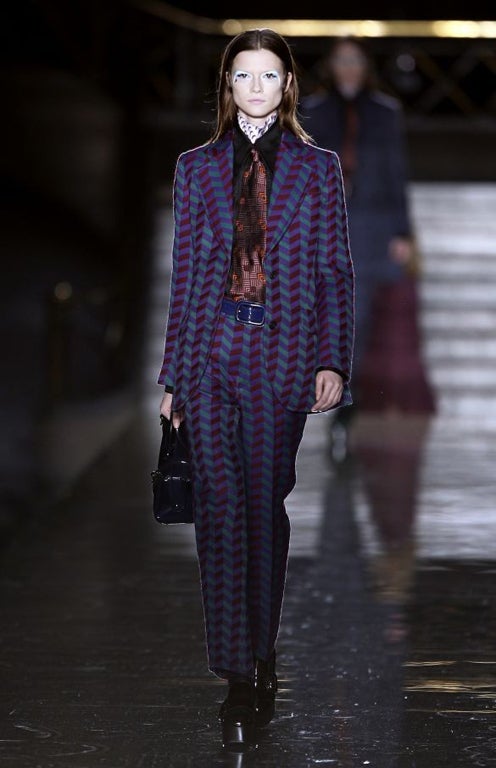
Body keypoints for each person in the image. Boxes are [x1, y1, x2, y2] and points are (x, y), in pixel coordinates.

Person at [157, 28, 354, 749]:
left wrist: (333, 360)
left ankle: (262, 650)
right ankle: (237, 674)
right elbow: (185, 279)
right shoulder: (196, 168)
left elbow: (334, 271)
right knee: (219, 508)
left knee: (263, 506)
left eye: (270, 75)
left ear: (288, 85)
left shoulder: (318, 169)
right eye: (244, 75)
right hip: (212, 351)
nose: (257, 88)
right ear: (227, 85)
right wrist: (174, 376)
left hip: (284, 353)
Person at [300, 36, 435, 460]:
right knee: (329, 318)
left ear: (366, 65)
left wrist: (403, 233)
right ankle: (334, 401)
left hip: (372, 230)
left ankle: (344, 410)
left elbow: (397, 171)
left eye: (355, 59)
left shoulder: (385, 113)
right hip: (325, 229)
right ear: (330, 64)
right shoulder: (312, 111)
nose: (348, 67)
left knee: (358, 322)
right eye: (341, 59)